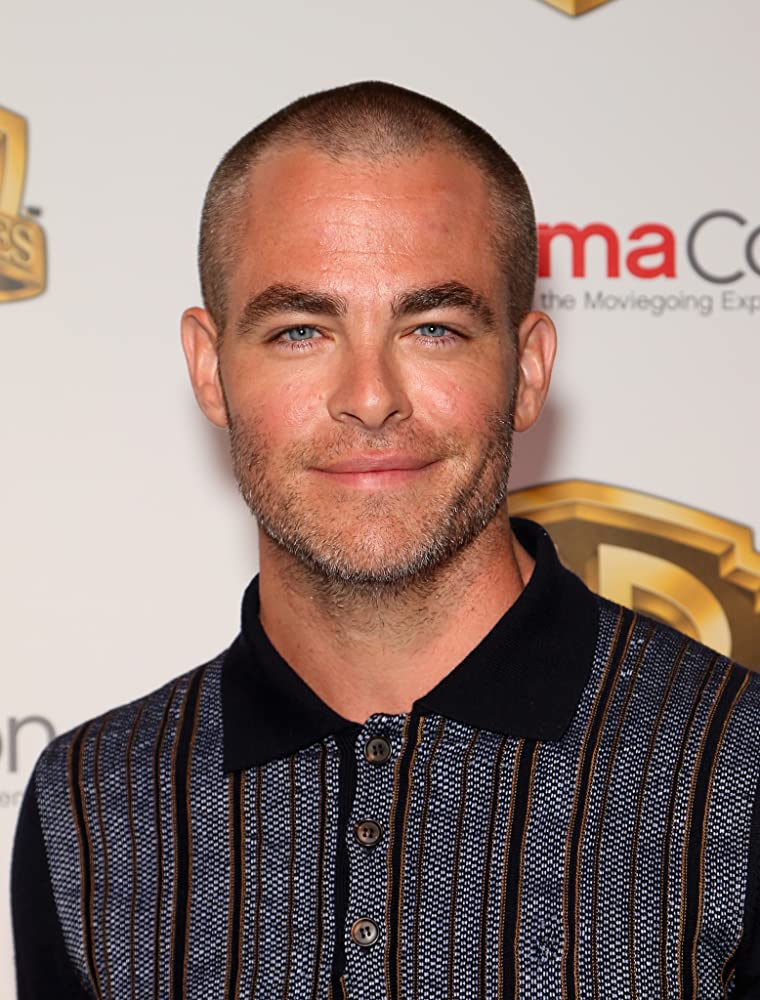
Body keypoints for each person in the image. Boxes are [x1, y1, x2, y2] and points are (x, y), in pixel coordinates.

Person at [10, 80, 760, 1000]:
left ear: (528, 368)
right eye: (300, 331)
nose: (370, 398)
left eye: (433, 328)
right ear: (209, 369)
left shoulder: (739, 766)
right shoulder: (92, 809)